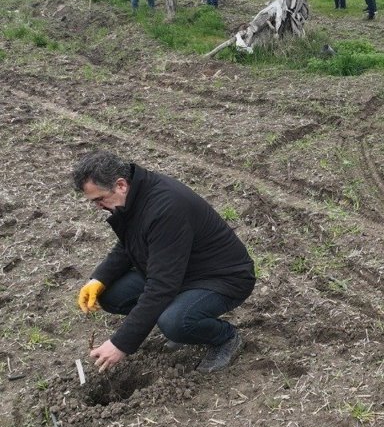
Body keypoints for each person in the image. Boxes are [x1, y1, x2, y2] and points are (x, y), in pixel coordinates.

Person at [73, 150, 255, 374]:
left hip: (221, 277)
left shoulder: (165, 207)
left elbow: (162, 286)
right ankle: (181, 316)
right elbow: (130, 244)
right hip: (181, 269)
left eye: (100, 199)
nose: (99, 207)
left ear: (120, 185)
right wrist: (99, 279)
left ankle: (226, 338)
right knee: (110, 295)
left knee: (176, 322)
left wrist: (120, 344)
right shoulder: (135, 195)